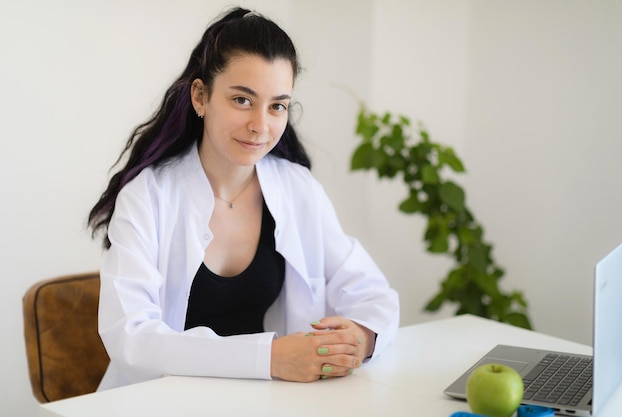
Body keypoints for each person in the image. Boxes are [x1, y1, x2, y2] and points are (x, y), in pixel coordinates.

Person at [88, 6, 399, 390]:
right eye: (242, 100)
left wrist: (361, 336)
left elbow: (372, 292)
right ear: (201, 97)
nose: (260, 125)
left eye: (277, 106)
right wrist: (270, 357)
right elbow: (130, 337)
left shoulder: (297, 189)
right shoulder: (148, 196)